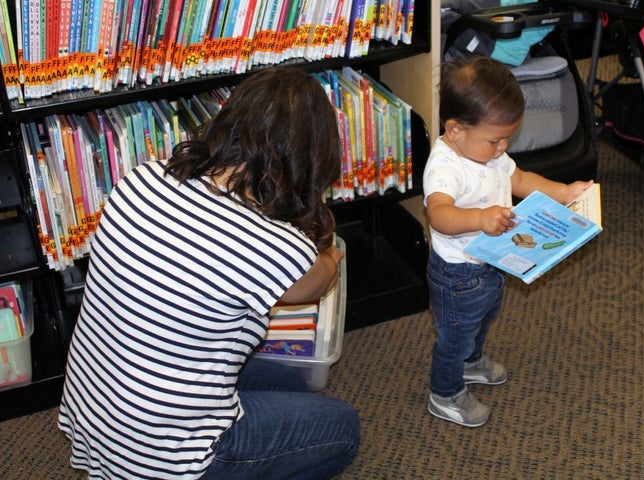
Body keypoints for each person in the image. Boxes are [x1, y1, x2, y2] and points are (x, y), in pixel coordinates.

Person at [58, 67, 360, 479]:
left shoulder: (142, 177)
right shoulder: (276, 246)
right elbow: (322, 277)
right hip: (166, 454)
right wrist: (317, 229)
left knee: (286, 382)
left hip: (97, 414)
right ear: (308, 160)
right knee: (343, 427)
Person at [423, 56, 594, 427]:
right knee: (455, 336)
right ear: (454, 130)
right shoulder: (445, 168)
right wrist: (479, 219)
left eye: (507, 139)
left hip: (490, 261)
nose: (503, 148)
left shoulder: (488, 152)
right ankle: (445, 393)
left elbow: (520, 179)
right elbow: (439, 214)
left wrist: (563, 192)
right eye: (495, 139)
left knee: (485, 316)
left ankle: (472, 362)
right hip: (457, 274)